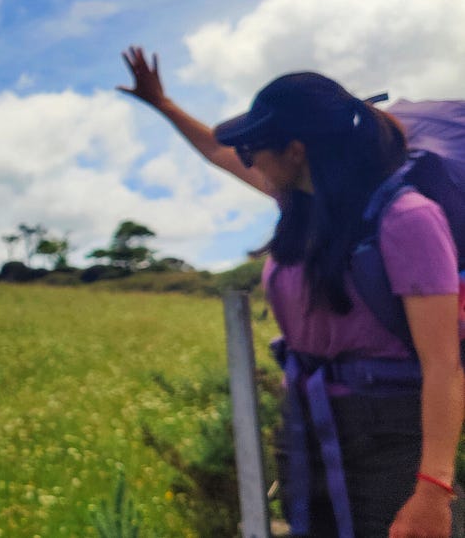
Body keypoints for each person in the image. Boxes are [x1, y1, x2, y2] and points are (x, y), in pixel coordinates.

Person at [117, 46, 464, 537]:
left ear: (296, 151)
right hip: (308, 429)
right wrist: (164, 104)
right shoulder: (299, 208)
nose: (244, 157)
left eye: (254, 146)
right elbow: (217, 151)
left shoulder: (407, 219)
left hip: (389, 436)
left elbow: (443, 365)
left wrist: (432, 490)